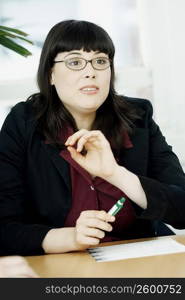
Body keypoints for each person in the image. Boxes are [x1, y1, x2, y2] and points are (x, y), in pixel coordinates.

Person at [0, 19, 185, 256]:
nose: (90, 72)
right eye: (75, 62)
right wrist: (69, 237)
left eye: (100, 61)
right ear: (50, 75)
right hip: (60, 268)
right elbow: (4, 227)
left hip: (137, 261)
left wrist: (115, 174)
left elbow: (182, 208)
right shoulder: (23, 124)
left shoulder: (138, 118)